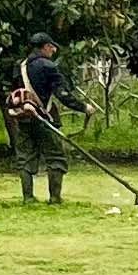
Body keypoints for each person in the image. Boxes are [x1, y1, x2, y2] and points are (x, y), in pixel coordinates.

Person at [8, 33, 87, 204]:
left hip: (24, 118)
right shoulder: (48, 67)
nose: (53, 50)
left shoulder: (19, 66)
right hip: (46, 118)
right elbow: (62, 94)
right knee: (56, 158)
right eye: (52, 46)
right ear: (44, 47)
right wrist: (84, 108)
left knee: (25, 158)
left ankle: (28, 198)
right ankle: (55, 198)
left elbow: (14, 94)